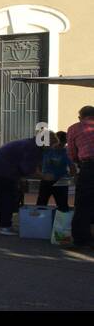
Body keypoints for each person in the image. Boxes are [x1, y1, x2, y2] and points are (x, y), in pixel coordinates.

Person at [0, 135, 44, 235]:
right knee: (7, 196)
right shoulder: (32, 148)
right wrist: (44, 176)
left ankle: (5, 224)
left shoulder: (29, 143)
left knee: (8, 195)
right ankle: (5, 226)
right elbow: (27, 169)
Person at [66, 106, 94, 248]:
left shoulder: (75, 128)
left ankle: (81, 240)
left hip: (89, 167)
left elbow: (71, 153)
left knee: (83, 204)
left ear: (81, 116)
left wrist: (78, 165)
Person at [37, 132, 70, 213]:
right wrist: (42, 175)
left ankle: (63, 223)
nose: (59, 147)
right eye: (57, 144)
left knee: (62, 205)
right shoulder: (46, 150)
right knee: (41, 204)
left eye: (61, 145)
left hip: (61, 181)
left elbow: (72, 167)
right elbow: (37, 164)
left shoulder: (66, 152)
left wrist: (70, 176)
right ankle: (39, 222)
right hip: (47, 180)